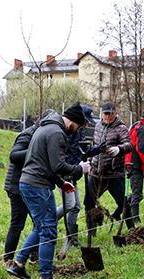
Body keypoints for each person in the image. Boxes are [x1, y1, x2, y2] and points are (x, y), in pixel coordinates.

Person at [7, 102, 90, 279]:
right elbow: (58, 166)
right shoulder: (57, 133)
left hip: (29, 183)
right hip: (37, 186)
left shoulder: (46, 128)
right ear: (73, 122)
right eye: (78, 127)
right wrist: (80, 169)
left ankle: (18, 265)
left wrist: (62, 183)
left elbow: (44, 163)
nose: (76, 131)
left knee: (43, 225)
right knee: (49, 231)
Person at [55, 105, 101, 261]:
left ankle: (71, 235)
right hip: (67, 172)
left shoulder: (79, 131)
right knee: (71, 206)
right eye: (85, 122)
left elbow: (80, 152)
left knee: (74, 206)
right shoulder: (69, 131)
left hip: (74, 171)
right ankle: (50, 223)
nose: (86, 125)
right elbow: (69, 153)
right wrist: (76, 169)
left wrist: (95, 150)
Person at [84, 102, 133, 237]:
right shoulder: (98, 126)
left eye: (110, 114)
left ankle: (132, 230)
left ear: (115, 113)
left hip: (114, 174)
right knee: (88, 202)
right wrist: (91, 161)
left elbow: (129, 145)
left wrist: (119, 149)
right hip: (96, 172)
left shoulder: (121, 128)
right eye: (105, 114)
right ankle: (91, 232)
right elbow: (95, 146)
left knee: (123, 204)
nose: (107, 116)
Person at [3, 120, 41, 268]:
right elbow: (14, 156)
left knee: (38, 222)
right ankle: (7, 259)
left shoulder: (38, 134)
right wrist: (35, 150)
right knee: (17, 224)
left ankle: (33, 254)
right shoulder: (26, 135)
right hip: (16, 186)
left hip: (30, 185)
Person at [125, 110, 144, 225]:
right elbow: (141, 148)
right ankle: (135, 220)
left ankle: (119, 213)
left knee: (135, 193)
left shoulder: (136, 125)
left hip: (129, 162)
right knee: (137, 194)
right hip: (135, 164)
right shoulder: (143, 128)